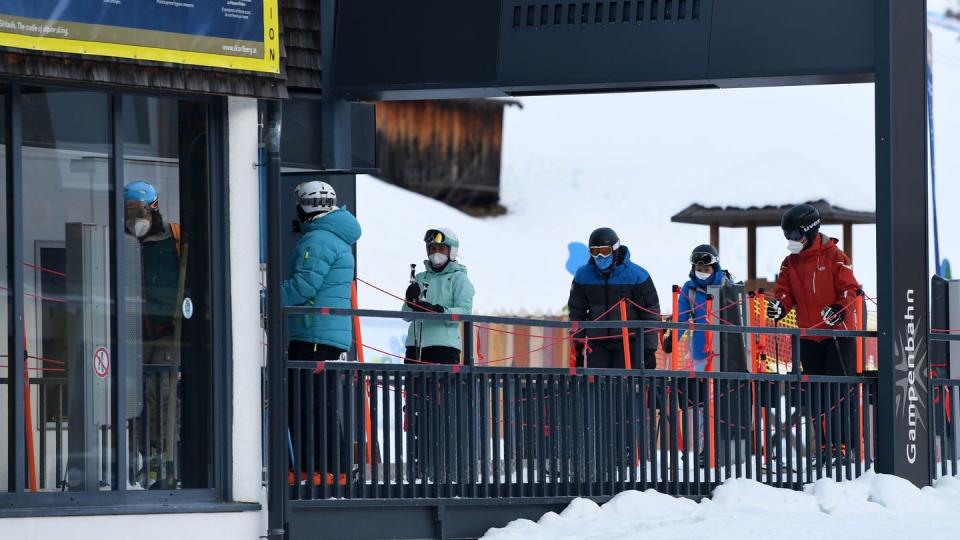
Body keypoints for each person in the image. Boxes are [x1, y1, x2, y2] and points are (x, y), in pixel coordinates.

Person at [281, 180, 361, 485]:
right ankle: (319, 467)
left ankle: (327, 469)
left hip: (313, 333)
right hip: (324, 333)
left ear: (305, 205)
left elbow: (304, 286)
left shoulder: (318, 240)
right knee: (312, 402)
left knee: (309, 403)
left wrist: (265, 298)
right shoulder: (334, 237)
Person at [124, 180, 184, 488]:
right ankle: (146, 460)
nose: (133, 216)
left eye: (138, 210)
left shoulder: (173, 238)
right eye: (128, 210)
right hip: (135, 332)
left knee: (163, 396)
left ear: (152, 209)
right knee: (137, 399)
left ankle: (165, 463)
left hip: (168, 331)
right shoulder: (125, 243)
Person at [765, 204, 860, 375]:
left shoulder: (835, 257)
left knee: (838, 393)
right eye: (787, 234)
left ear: (809, 231)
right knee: (815, 393)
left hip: (837, 335)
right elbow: (785, 294)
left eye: (795, 234)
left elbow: (850, 291)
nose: (791, 239)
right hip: (807, 335)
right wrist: (780, 307)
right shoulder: (789, 263)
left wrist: (839, 310)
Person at [567, 227, 660, 369]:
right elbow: (577, 312)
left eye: (605, 251)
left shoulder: (637, 275)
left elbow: (650, 313)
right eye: (595, 252)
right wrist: (577, 347)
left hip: (628, 341)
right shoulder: (583, 276)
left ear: (615, 250)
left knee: (621, 386)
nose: (600, 257)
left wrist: (648, 350)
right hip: (597, 342)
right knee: (597, 385)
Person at [401, 228, 475, 364]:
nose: (436, 253)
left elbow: (465, 312)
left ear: (452, 251)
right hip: (415, 346)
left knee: (440, 386)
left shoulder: (459, 278)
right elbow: (405, 316)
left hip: (443, 348)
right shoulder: (419, 277)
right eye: (432, 248)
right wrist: (409, 302)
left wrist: (439, 310)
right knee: (413, 385)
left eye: (441, 248)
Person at [662, 244, 735, 371]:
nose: (703, 273)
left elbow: (737, 317)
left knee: (724, 388)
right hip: (700, 348)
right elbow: (681, 319)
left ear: (714, 268)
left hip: (726, 348)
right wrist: (673, 339)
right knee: (701, 387)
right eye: (699, 269)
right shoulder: (690, 289)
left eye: (707, 270)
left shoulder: (726, 286)